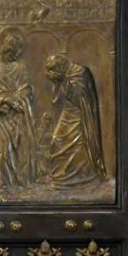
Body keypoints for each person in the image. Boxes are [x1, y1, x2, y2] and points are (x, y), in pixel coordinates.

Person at [0, 28, 37, 188]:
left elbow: (27, 90)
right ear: (3, 48)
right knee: (1, 150)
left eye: (14, 50)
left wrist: (18, 101)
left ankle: (18, 183)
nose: (11, 52)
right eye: (8, 48)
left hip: (18, 116)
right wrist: (2, 102)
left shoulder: (20, 69)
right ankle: (1, 183)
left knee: (19, 151)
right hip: (0, 118)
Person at [42, 54, 106, 187]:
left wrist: (63, 80)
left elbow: (80, 97)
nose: (52, 72)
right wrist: (57, 82)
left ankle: (82, 176)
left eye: (53, 69)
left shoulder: (80, 72)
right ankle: (60, 175)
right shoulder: (64, 74)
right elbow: (57, 101)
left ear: (61, 66)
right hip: (67, 111)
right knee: (56, 139)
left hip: (80, 114)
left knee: (78, 144)